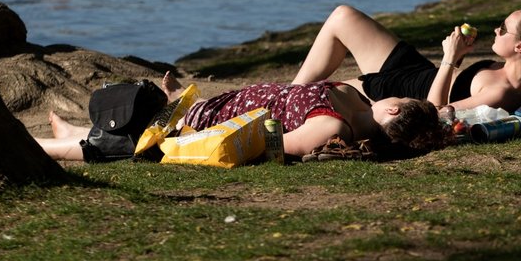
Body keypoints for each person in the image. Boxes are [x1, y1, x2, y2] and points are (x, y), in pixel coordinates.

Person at [35, 73, 449, 161]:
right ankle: (74, 130)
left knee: (125, 139)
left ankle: (48, 147)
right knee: (134, 103)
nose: (393, 94)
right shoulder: (354, 99)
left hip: (195, 129)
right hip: (203, 108)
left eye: (397, 97)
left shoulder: (333, 125)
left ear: (392, 110)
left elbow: (267, 147)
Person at [291, 4, 521, 114]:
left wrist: (449, 58)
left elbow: (434, 110)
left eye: (504, 29)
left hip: (402, 91)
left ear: (519, 46)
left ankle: (281, 99)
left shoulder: (501, 91)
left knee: (317, 94)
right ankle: (286, 94)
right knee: (343, 16)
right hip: (420, 71)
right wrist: (456, 59)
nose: (497, 30)